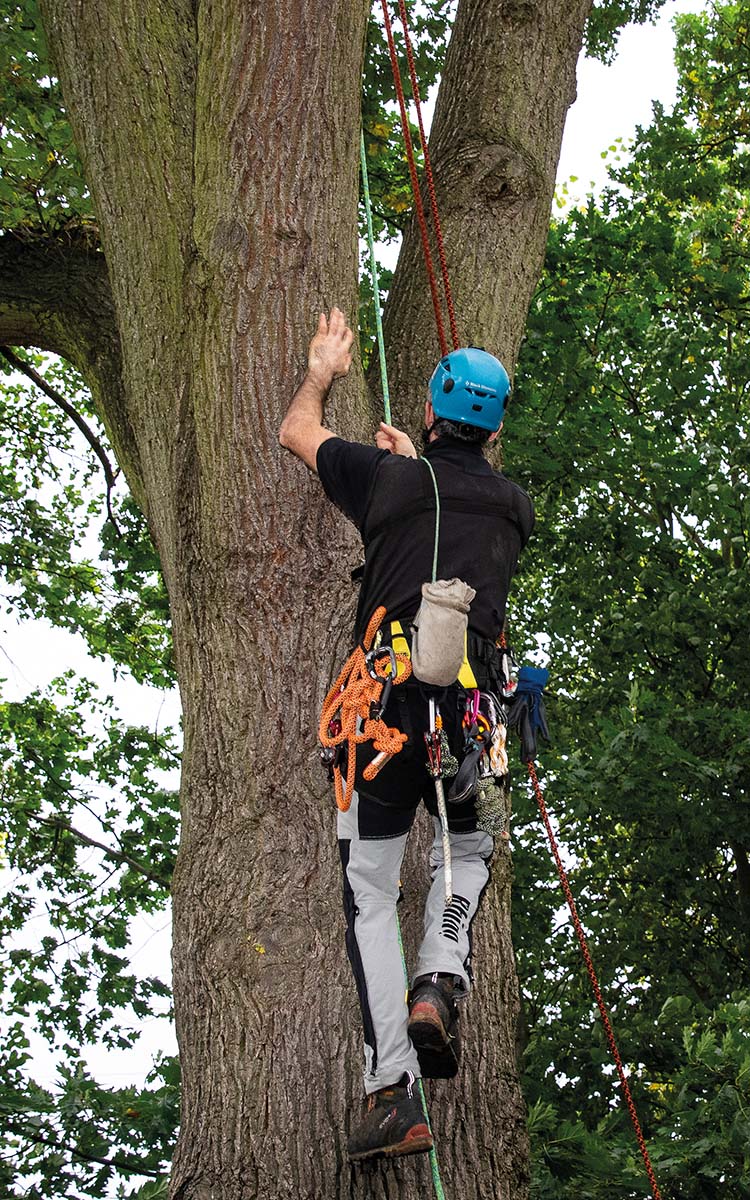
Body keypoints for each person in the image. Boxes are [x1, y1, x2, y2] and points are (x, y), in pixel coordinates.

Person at [279, 307, 534, 1162]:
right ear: (493, 426)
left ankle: (392, 1092)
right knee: (470, 851)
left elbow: (297, 431)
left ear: (431, 408)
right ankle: (440, 978)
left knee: (370, 892)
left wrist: (323, 371)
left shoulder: (386, 483)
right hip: (471, 715)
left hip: (379, 717)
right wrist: (413, 466)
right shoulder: (514, 508)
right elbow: (452, 515)